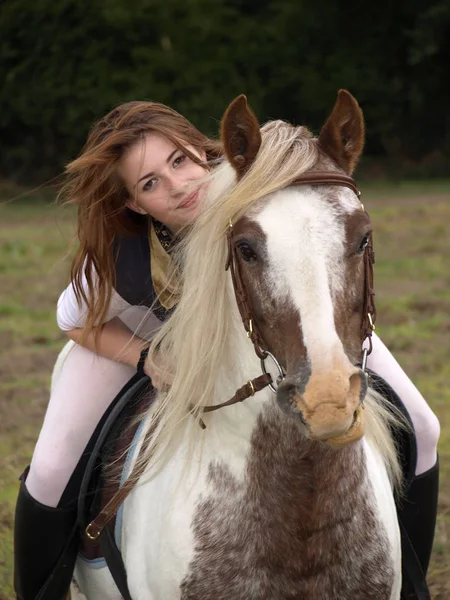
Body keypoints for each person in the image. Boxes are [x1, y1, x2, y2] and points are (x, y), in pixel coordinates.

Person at [13, 101, 440, 600]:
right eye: (149, 184)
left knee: (425, 427)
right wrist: (146, 359)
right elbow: (74, 321)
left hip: (277, 320)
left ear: (201, 148)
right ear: (134, 204)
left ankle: (410, 586)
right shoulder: (123, 252)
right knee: (49, 469)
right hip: (137, 332)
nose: (176, 185)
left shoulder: (251, 176)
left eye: (179, 161)